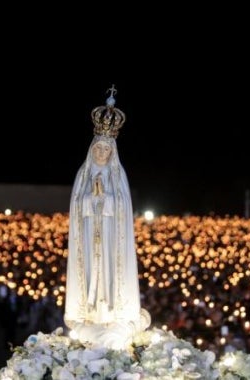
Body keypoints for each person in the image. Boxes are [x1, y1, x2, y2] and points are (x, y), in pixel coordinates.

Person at [63, 86, 150, 349]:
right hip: (89, 235)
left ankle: (114, 314)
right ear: (93, 150)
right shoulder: (83, 175)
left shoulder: (117, 175)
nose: (102, 154)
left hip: (112, 237)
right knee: (90, 271)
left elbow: (123, 206)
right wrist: (92, 199)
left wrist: (106, 199)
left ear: (112, 152)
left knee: (111, 272)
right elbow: (77, 206)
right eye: (98, 150)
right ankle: (88, 311)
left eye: (106, 150)